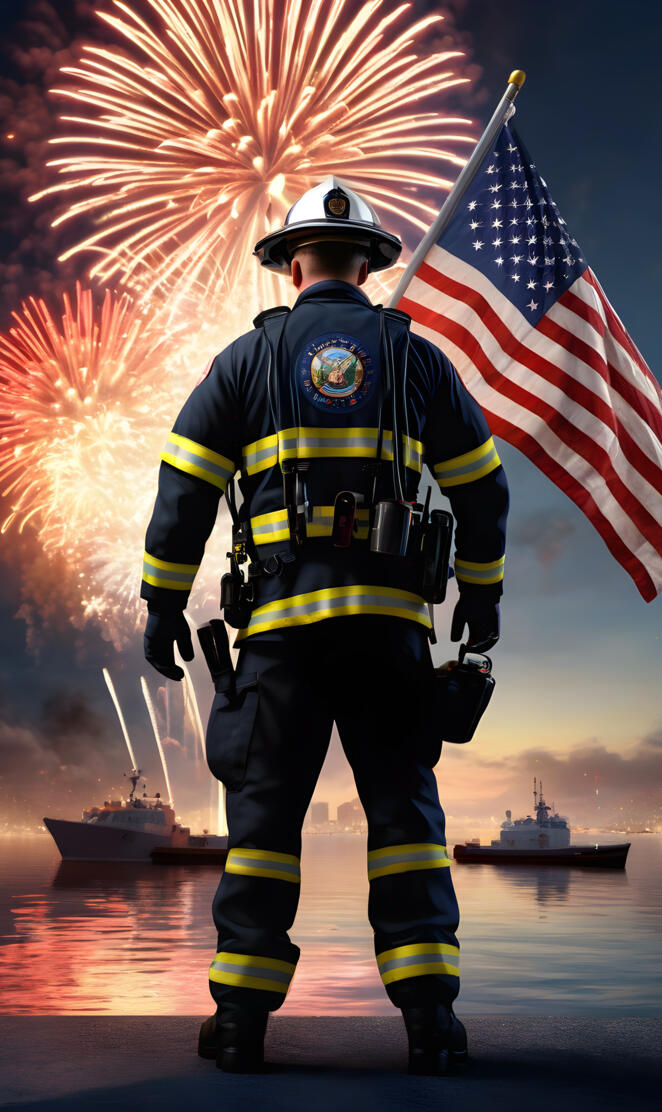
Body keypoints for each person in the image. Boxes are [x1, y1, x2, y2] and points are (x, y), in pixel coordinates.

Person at [141, 177, 509, 1075]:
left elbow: (184, 488)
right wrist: (481, 591)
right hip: (391, 637)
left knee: (263, 830)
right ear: (370, 266)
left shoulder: (246, 362)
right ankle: (430, 1027)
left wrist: (161, 602)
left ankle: (238, 1029)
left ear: (293, 264)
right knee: (406, 822)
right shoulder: (417, 360)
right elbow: (482, 486)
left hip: (279, 640)